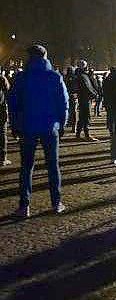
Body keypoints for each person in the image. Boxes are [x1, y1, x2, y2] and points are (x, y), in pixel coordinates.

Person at [8, 45, 69, 218]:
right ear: (45, 56)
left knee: (26, 167)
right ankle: (56, 203)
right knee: (52, 166)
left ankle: (24, 205)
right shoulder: (54, 77)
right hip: (50, 127)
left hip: (27, 127)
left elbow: (13, 104)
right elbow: (63, 103)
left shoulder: (22, 77)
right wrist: (62, 124)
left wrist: (15, 125)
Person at [74, 60, 99, 141]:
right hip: (85, 98)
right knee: (86, 117)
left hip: (83, 98)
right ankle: (87, 135)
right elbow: (88, 87)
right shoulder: (83, 76)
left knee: (82, 117)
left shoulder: (79, 75)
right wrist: (95, 94)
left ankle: (78, 134)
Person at [0, 73, 10, 166]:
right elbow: (8, 91)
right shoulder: (2, 79)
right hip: (1, 110)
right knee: (2, 133)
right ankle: (3, 158)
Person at [64, 66, 77, 134]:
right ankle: (73, 127)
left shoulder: (65, 78)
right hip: (73, 96)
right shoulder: (74, 78)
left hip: (67, 96)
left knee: (68, 111)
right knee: (73, 112)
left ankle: (69, 124)